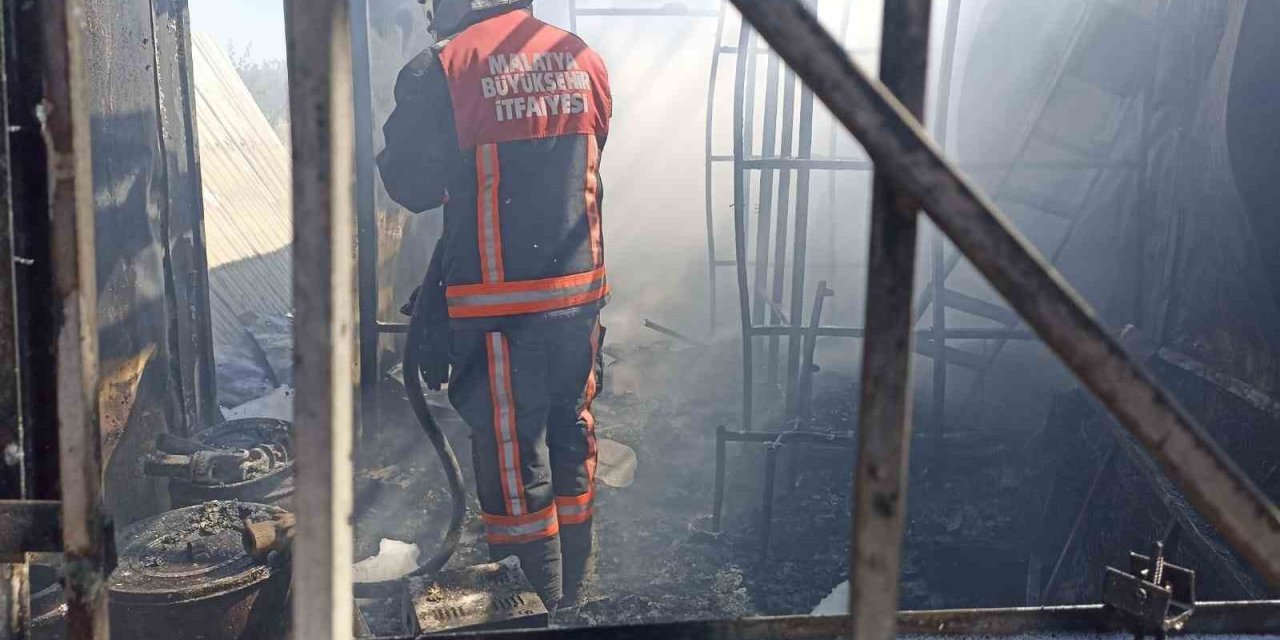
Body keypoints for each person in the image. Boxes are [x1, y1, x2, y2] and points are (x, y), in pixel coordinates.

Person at [377, 0, 612, 611]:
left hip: (500, 306)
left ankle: (536, 601)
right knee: (571, 428)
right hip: (578, 295)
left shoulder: (444, 67)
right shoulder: (580, 57)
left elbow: (409, 185)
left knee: (512, 454)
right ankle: (575, 591)